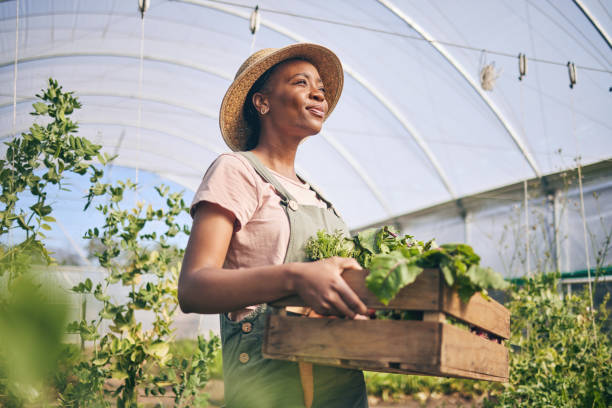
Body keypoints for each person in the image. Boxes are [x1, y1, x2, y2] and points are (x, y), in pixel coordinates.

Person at [178, 43, 369, 408]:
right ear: (262, 102)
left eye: (322, 89)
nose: (318, 93)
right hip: (272, 386)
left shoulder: (317, 195)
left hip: (340, 384)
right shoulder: (237, 171)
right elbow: (193, 287)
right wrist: (297, 278)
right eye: (301, 82)